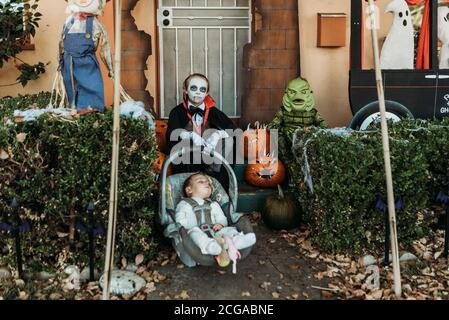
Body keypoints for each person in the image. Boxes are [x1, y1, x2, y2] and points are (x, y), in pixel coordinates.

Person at [166, 74, 237, 189]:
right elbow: (171, 136)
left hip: (211, 157)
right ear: (185, 90)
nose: (198, 92)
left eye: (202, 89)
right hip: (188, 159)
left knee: (229, 140)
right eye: (193, 88)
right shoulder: (177, 112)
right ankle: (189, 187)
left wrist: (217, 134)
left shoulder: (213, 111)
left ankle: (217, 180)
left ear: (206, 93)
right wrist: (189, 135)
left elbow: (234, 130)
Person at [175, 173, 256, 259]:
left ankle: (238, 240)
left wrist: (221, 224)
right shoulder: (184, 204)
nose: (207, 184)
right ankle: (210, 246)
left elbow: (221, 217)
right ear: (189, 189)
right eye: (201, 181)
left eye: (209, 183)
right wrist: (183, 229)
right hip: (194, 230)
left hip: (215, 231)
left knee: (229, 230)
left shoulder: (213, 204)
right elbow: (179, 218)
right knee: (195, 235)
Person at [59, 0, 114, 112]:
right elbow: (61, 42)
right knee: (71, 91)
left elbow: (105, 46)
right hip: (69, 63)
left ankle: (92, 115)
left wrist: (110, 68)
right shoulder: (68, 22)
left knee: (92, 87)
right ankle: (74, 114)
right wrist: (59, 60)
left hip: (87, 64)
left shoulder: (94, 24)